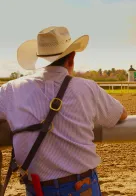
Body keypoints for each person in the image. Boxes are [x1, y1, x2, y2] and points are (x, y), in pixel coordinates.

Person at [0, 26, 127, 196]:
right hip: (82, 187)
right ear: (72, 57)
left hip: (37, 189)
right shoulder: (87, 87)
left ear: (39, 59)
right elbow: (120, 114)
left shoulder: (10, 90)